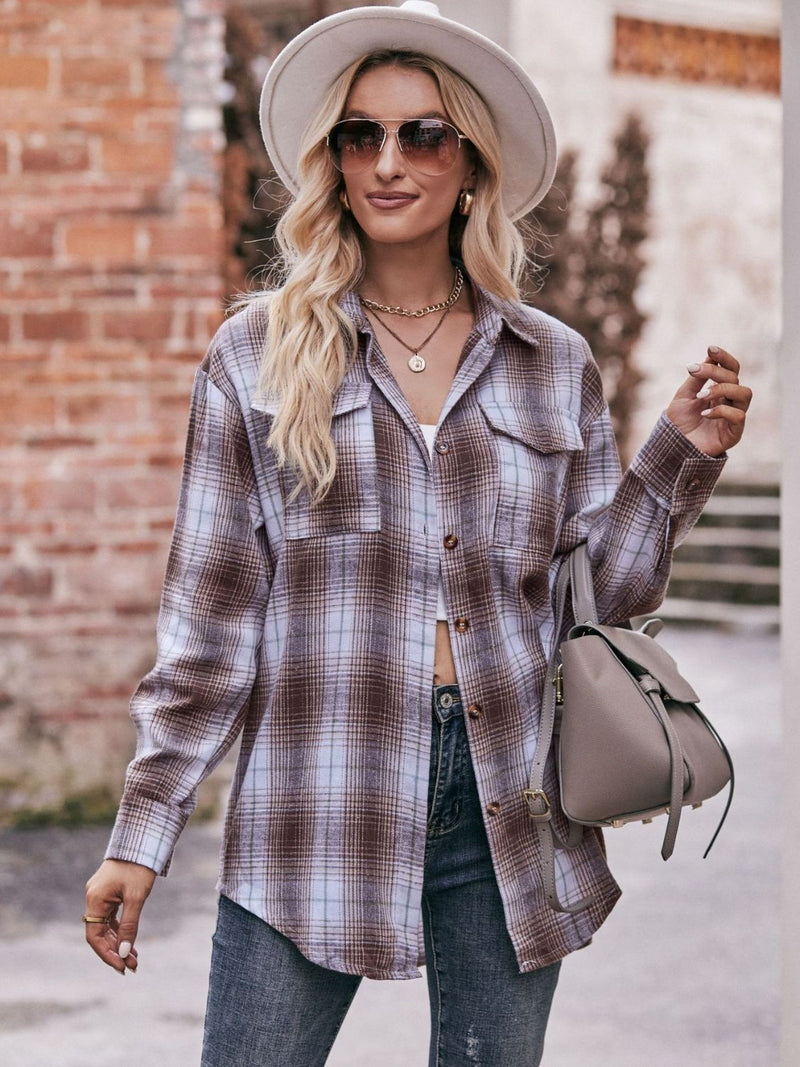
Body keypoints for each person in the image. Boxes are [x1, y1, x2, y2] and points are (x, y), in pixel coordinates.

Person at [83, 3, 752, 1064]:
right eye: (360, 135)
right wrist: (141, 830)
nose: (386, 161)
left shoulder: (552, 361)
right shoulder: (253, 357)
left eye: (421, 135)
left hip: (510, 798)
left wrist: (674, 456)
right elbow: (209, 626)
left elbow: (599, 604)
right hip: (314, 795)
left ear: (470, 166)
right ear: (334, 163)